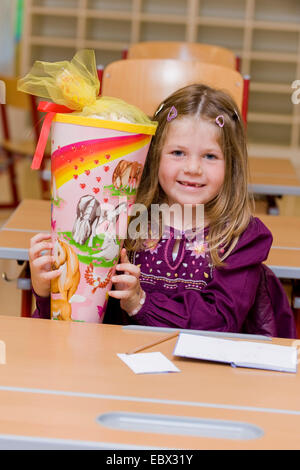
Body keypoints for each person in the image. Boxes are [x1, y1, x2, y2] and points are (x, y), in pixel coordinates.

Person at [30, 84, 296, 337]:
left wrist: (140, 302)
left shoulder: (242, 237)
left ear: (232, 165)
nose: (193, 168)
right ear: (155, 155)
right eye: (178, 152)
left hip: (211, 377)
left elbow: (221, 324)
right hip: (123, 371)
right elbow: (88, 319)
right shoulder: (124, 222)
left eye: (210, 156)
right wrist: (48, 291)